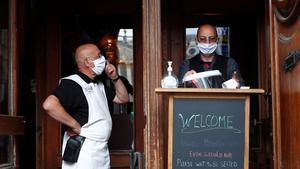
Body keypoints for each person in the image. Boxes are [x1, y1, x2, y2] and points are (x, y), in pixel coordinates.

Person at [42, 43, 129, 168]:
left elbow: (123, 98)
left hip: (100, 149)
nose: (103, 60)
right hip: (84, 148)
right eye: (99, 56)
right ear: (88, 62)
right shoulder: (72, 83)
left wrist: (114, 77)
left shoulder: (99, 85)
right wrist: (74, 125)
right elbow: (49, 105)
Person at [179, 24, 244, 88]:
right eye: (202, 39)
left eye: (212, 38)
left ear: (217, 40)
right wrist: (186, 82)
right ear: (196, 40)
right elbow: (178, 92)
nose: (207, 43)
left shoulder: (229, 63)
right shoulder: (187, 64)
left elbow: (242, 89)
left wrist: (237, 85)